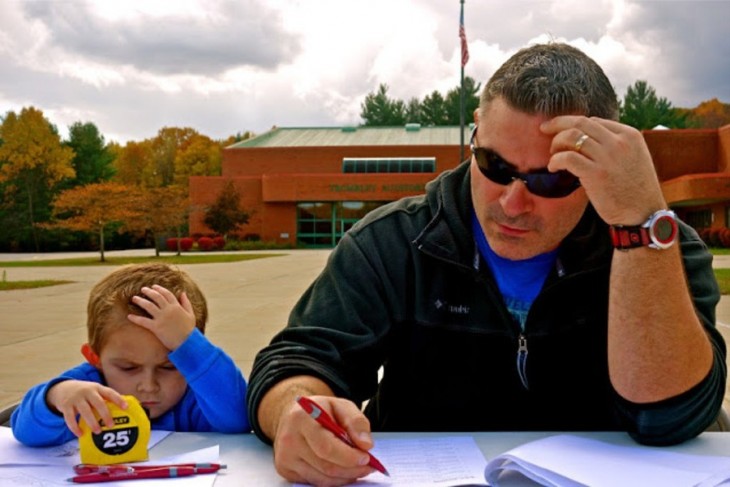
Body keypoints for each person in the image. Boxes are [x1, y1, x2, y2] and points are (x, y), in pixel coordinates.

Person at [247, 42, 727, 486]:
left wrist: (637, 229)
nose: (513, 203)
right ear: (475, 130)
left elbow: (668, 415)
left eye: (551, 181)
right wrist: (295, 410)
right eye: (494, 166)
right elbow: (300, 359)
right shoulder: (396, 241)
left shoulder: (657, 247)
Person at [11, 262, 250, 446]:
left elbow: (240, 418)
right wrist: (57, 397)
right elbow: (25, 431)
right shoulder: (89, 392)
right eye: (128, 368)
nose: (148, 386)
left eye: (169, 367)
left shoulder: (198, 399)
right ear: (95, 359)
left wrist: (188, 345)